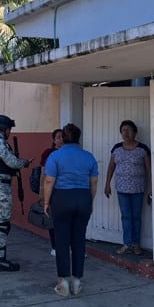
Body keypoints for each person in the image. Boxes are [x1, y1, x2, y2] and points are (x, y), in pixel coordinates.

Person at [43, 123, 98, 297]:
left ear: (63, 138)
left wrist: (46, 202)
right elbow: (94, 182)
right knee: (79, 240)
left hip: (62, 199)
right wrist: (90, 200)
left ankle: (63, 282)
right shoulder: (89, 156)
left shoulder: (55, 156)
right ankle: (77, 280)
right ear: (78, 137)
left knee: (61, 240)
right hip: (83, 198)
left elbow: (49, 181)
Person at [0, 114, 31, 272]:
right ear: (4, 128)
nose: (10, 131)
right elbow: (12, 162)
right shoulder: (0, 143)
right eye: (9, 128)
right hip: (1, 187)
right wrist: (23, 162)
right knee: (2, 224)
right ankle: (1, 259)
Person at [104, 119, 151, 256]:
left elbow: (149, 170)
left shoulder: (142, 149)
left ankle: (136, 244)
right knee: (125, 216)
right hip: (122, 189)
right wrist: (107, 184)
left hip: (138, 189)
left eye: (129, 130)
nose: (126, 133)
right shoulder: (117, 149)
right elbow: (111, 167)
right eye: (123, 130)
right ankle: (127, 243)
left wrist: (151, 188)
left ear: (135, 132)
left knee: (136, 216)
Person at [40, 128, 63, 256]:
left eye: (63, 137)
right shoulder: (48, 153)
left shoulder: (68, 153)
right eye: (58, 137)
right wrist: (42, 194)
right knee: (52, 220)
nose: (61, 139)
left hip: (65, 191)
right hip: (52, 191)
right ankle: (55, 246)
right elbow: (43, 175)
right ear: (54, 140)